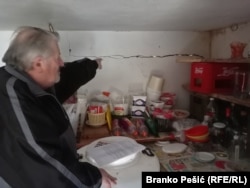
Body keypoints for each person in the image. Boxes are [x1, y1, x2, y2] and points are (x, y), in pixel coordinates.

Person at [0, 26, 117, 188]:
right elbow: (42, 160)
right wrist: (95, 178)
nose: (61, 63)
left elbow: (69, 75)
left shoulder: (31, 79)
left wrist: (93, 65)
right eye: (57, 57)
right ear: (39, 63)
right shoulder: (13, 97)